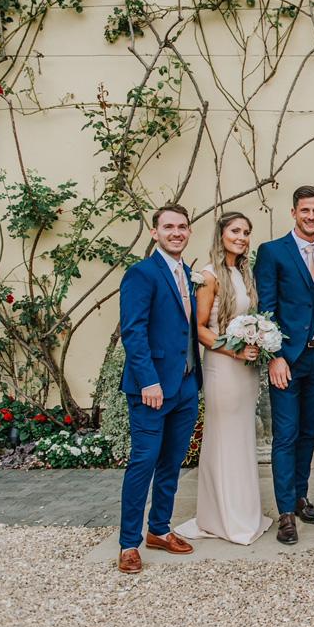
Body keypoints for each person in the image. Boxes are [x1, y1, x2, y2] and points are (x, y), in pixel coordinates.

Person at [175, 212, 272, 545]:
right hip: (224, 367)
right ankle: (223, 517)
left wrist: (258, 339)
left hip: (246, 369)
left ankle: (244, 511)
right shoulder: (209, 275)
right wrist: (234, 350)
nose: (242, 237)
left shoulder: (244, 273)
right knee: (224, 439)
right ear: (221, 234)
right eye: (235, 231)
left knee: (242, 438)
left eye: (246, 232)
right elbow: (200, 328)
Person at [117, 205, 203, 574]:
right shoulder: (142, 273)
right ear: (155, 233)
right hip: (151, 389)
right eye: (168, 227)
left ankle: (160, 529)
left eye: (182, 227)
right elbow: (132, 331)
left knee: (172, 462)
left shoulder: (186, 272)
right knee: (143, 462)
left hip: (185, 385)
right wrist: (148, 380)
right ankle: (127, 544)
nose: (176, 232)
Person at [254, 185, 314, 546]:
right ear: (293, 212)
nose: (311, 216)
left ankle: (302, 496)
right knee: (285, 436)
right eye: (305, 210)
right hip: (286, 360)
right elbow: (266, 307)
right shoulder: (272, 252)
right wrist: (274, 355)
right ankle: (285, 511)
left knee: (308, 433)